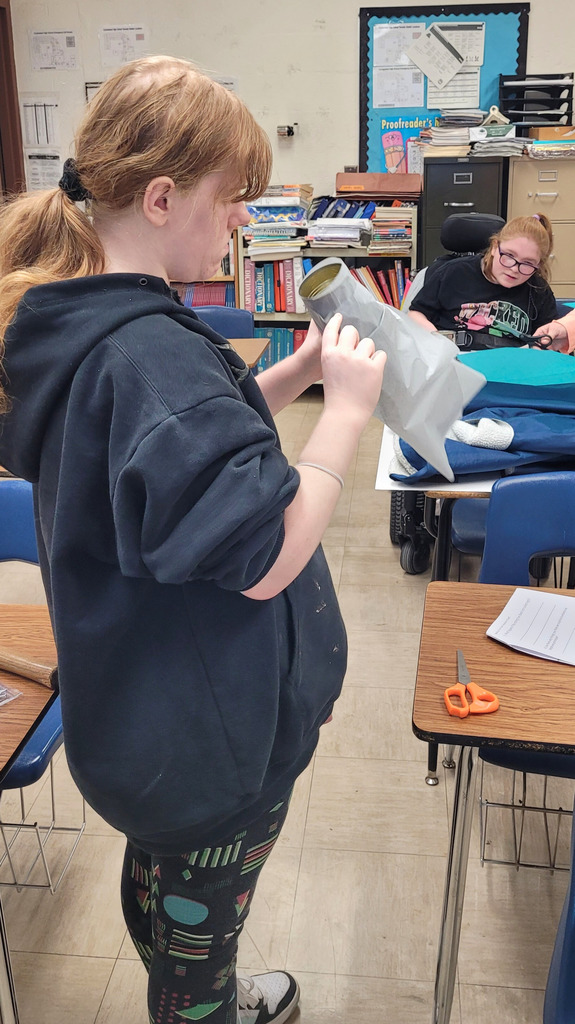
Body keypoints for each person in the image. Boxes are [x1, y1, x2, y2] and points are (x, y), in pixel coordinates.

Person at [0, 56, 385, 1024]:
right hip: (208, 738)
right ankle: (202, 1000)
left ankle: (190, 967)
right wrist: (343, 417)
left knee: (173, 896)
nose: (239, 223)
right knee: (198, 934)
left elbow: (169, 457)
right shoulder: (151, 352)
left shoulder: (93, 327)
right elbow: (262, 557)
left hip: (147, 720)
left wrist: (291, 375)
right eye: (230, 201)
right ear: (164, 198)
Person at [407, 213, 559, 348]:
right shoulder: (453, 272)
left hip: (511, 365)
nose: (513, 268)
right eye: (509, 256)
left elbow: (547, 341)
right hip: (454, 358)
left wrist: (529, 353)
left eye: (527, 263)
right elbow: (415, 314)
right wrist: (438, 342)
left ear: (538, 265)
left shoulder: (538, 290)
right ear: (494, 247)